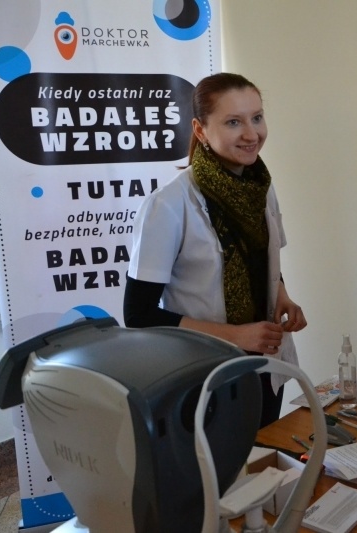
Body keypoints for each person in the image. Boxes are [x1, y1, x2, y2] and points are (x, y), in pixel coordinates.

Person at [124, 73, 307, 428]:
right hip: (206, 377)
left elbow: (263, 257)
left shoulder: (259, 186)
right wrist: (237, 336)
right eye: (233, 122)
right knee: (219, 480)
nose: (252, 134)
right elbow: (139, 314)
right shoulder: (168, 205)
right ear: (200, 129)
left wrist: (281, 294)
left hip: (265, 365)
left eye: (257, 117)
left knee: (263, 468)